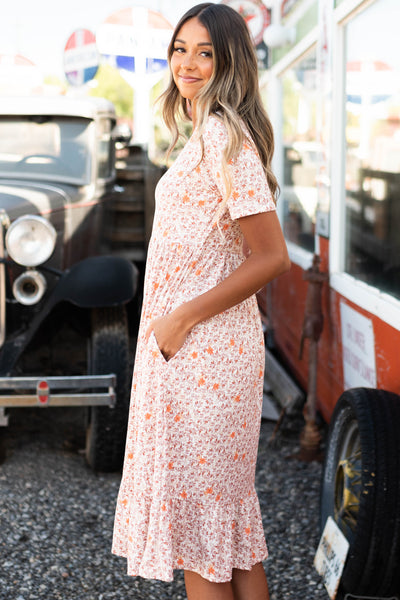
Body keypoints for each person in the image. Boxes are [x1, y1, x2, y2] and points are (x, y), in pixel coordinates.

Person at [112, 3, 290, 599]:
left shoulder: (222, 134)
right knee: (227, 530)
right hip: (191, 351)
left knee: (201, 537)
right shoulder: (201, 133)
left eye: (204, 52)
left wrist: (180, 318)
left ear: (229, 60)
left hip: (204, 354)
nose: (186, 63)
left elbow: (272, 257)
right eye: (180, 48)